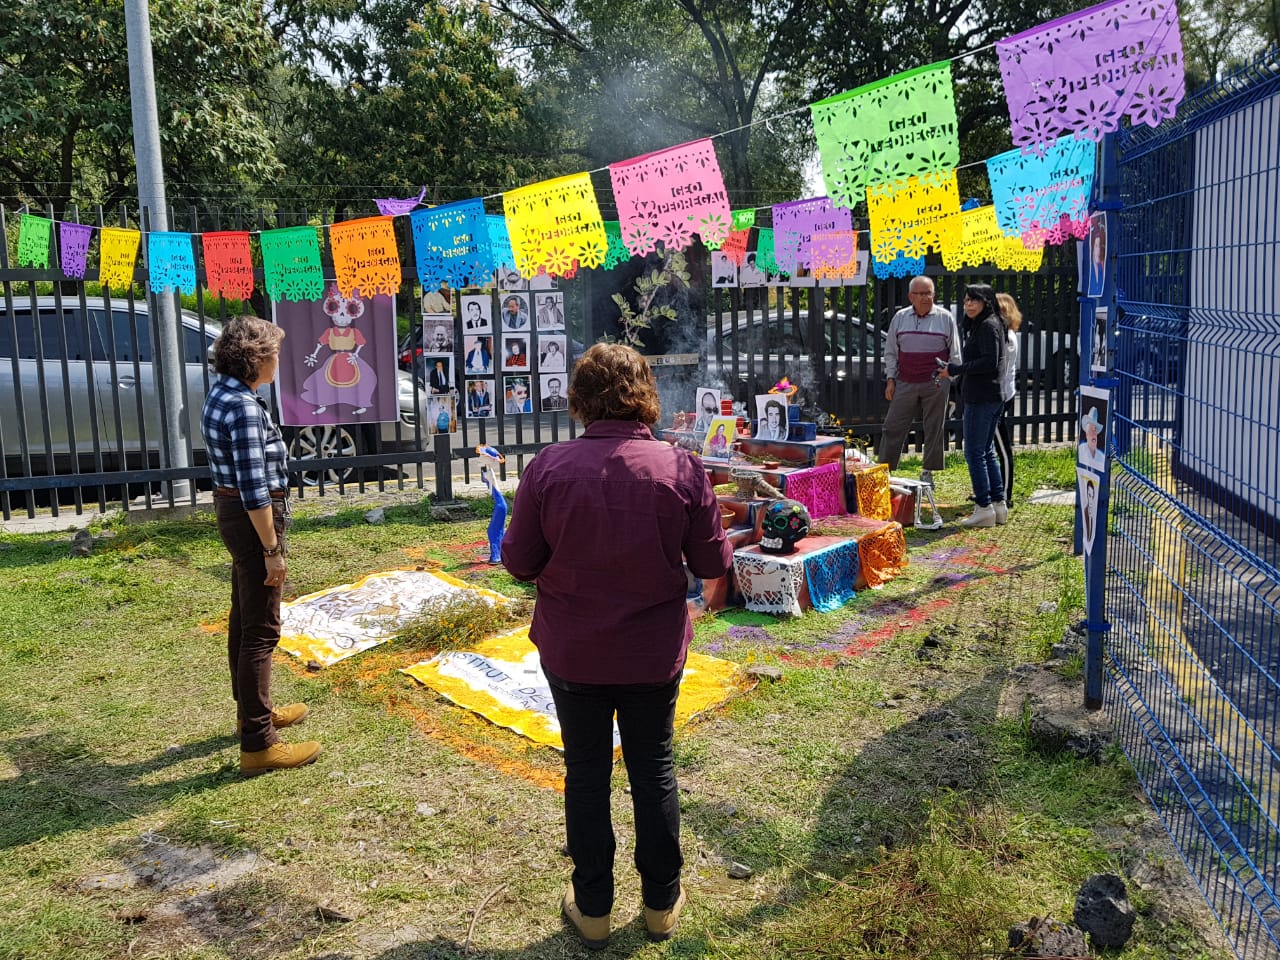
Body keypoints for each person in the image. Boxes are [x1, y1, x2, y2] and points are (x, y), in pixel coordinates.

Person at [501, 343, 733, 949]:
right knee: (652, 769)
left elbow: (520, 562)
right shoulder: (680, 467)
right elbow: (712, 561)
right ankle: (660, 904)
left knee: (586, 774)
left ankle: (593, 909)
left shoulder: (548, 467)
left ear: (579, 400)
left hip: (574, 649)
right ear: (645, 394)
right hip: (650, 652)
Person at [200, 316, 321, 776]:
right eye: (273, 352)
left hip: (232, 512)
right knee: (263, 628)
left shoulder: (223, 394)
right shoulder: (245, 408)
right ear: (256, 358)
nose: (278, 360)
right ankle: (259, 743)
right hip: (253, 518)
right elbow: (254, 487)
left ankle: (252, 712)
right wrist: (272, 548)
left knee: (245, 615)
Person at [879, 276, 961, 487]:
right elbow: (890, 352)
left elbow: (955, 353)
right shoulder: (900, 317)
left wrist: (948, 376)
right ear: (910, 296)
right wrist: (890, 379)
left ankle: (928, 473)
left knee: (934, 428)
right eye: (921, 294)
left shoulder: (945, 318)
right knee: (892, 426)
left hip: (935, 383)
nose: (926, 298)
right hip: (905, 380)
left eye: (929, 293)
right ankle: (885, 473)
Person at [939, 284, 1006, 527]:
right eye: (966, 300)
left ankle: (984, 507)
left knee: (974, 452)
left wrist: (956, 370)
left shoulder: (989, 325)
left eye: (973, 300)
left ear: (986, 301)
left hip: (982, 396)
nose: (968, 305)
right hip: (988, 395)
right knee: (986, 451)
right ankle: (997, 505)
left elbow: (989, 362)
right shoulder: (987, 324)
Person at [301, 282, 377, 416]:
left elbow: (361, 344)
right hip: (335, 360)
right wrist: (314, 355)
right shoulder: (330, 332)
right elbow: (320, 343)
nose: (342, 314)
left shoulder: (354, 332)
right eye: (336, 307)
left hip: (350, 360)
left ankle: (362, 404)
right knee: (324, 381)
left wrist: (356, 355)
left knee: (363, 380)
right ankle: (322, 404)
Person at [993, 292, 1022, 510]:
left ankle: (1005, 494)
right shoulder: (1005, 334)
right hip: (1000, 394)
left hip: (1000, 396)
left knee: (1002, 448)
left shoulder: (1007, 337)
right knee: (991, 447)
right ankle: (995, 491)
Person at [1079, 406, 1107, 471]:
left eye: (1095, 430)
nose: (1094, 433)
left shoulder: (1101, 457)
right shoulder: (1081, 450)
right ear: (1086, 434)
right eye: (1091, 430)